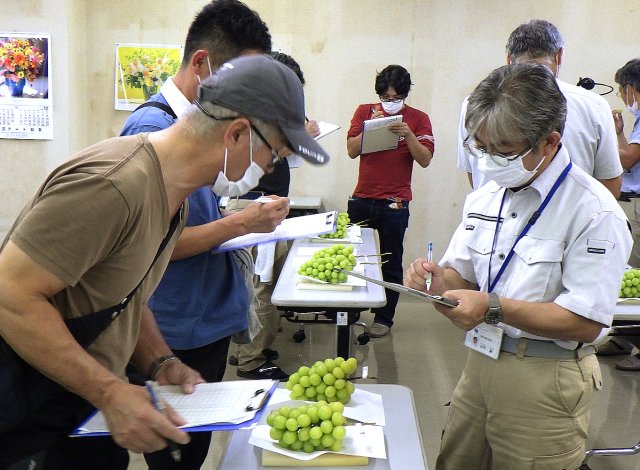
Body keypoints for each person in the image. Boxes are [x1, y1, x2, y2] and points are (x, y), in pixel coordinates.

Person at [0, 54, 329, 469]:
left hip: (75, 405)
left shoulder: (176, 198)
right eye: (274, 156)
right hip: (24, 411)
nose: (268, 171)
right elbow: (10, 297)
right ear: (237, 134)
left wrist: (161, 361)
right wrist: (109, 392)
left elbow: (122, 296)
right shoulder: (114, 185)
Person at [404, 63, 632, 469]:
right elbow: (463, 274)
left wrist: (493, 307)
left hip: (547, 377)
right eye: (482, 147)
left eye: (504, 150)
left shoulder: (593, 211)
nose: (489, 161)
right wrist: (439, 281)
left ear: (550, 142)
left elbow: (585, 321)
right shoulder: (488, 196)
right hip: (479, 363)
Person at [119, 2, 289, 467]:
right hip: (175, 325)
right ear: (202, 65)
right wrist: (241, 223)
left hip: (199, 319)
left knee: (192, 447)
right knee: (178, 452)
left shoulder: (198, 131)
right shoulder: (153, 132)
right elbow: (157, 247)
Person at [228, 51, 321, 379]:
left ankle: (246, 351)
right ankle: (251, 361)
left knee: (254, 284)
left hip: (264, 203)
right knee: (261, 287)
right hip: (255, 206)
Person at [456, 19, 623, 199]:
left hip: (503, 220)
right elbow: (609, 182)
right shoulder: (593, 105)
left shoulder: (474, 103)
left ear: (508, 58)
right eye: (483, 149)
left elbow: (474, 174)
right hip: (567, 220)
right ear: (559, 56)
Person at [346, 64, 434, 338]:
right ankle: (350, 310)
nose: (390, 103)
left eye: (396, 98)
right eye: (386, 98)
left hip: (395, 202)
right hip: (362, 197)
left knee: (391, 262)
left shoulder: (418, 118)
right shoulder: (364, 111)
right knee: (354, 258)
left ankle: (384, 318)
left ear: (405, 96)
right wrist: (372, 127)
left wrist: (407, 135)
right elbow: (351, 150)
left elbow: (425, 159)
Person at [602, 58, 640, 371]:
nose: (623, 98)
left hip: (638, 203)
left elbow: (627, 158)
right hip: (630, 201)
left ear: (633, 89)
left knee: (638, 277)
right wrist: (619, 132)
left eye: (623, 91)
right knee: (626, 273)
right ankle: (624, 337)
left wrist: (611, 134)